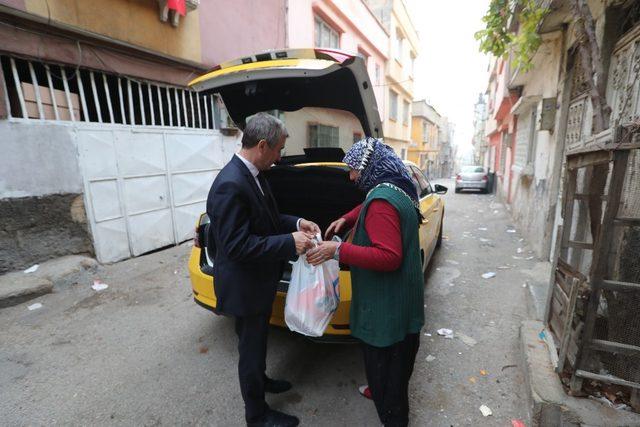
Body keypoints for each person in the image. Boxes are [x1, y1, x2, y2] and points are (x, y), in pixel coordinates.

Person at [207, 112, 319, 427]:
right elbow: (236, 246)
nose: (280, 156)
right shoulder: (231, 184)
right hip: (243, 287)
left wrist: (297, 223)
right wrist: (289, 242)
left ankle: (261, 381)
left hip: (257, 282)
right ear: (261, 145)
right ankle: (257, 416)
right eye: (279, 149)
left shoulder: (254, 174)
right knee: (250, 350)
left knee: (257, 344)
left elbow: (268, 219)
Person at [307, 137, 424, 427]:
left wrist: (338, 249)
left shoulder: (382, 202)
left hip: (386, 305)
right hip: (402, 298)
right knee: (397, 362)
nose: (351, 177)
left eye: (354, 170)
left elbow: (389, 257)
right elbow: (373, 202)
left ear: (370, 167)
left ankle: (392, 415)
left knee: (386, 369)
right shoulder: (396, 186)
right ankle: (381, 391)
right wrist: (348, 218)